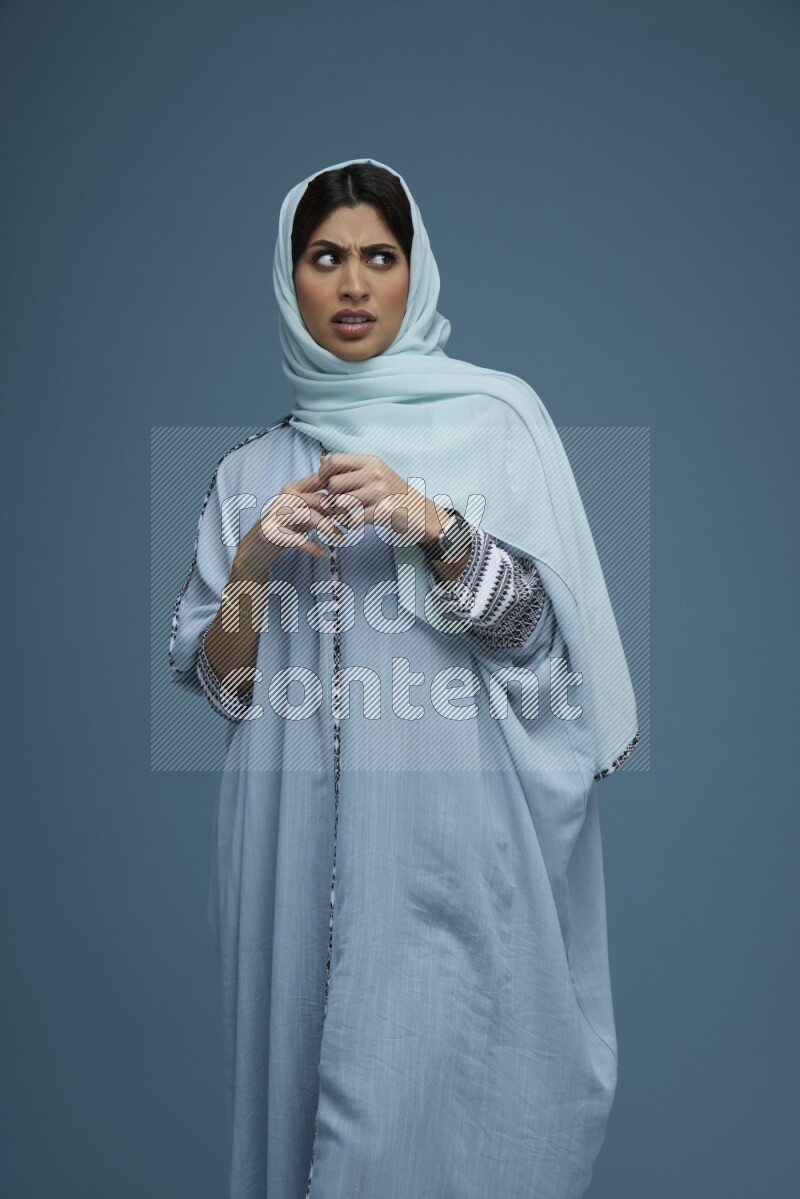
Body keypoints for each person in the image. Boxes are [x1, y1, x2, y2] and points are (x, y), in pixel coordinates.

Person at [168, 157, 639, 1199]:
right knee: (309, 1136)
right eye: (324, 257)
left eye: (379, 257)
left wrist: (434, 524)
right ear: (288, 276)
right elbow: (226, 689)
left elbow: (539, 651)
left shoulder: (498, 426)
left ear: (413, 273)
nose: (351, 284)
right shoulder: (246, 472)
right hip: (289, 865)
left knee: (448, 1125)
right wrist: (253, 560)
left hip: (452, 855)